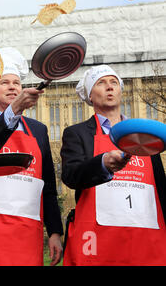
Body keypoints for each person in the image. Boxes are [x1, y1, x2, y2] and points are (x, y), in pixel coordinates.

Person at [0, 47, 64, 266]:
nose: (11, 87)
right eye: (4, 82)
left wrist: (55, 231)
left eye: (16, 83)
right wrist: (13, 111)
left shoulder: (38, 130)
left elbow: (48, 186)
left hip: (28, 230)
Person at [61, 64, 166, 266]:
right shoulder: (77, 133)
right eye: (101, 83)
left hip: (146, 237)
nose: (109, 87)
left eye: (114, 82)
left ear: (120, 91)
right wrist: (102, 163)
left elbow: (160, 187)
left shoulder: (144, 133)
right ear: (90, 96)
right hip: (99, 238)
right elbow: (71, 175)